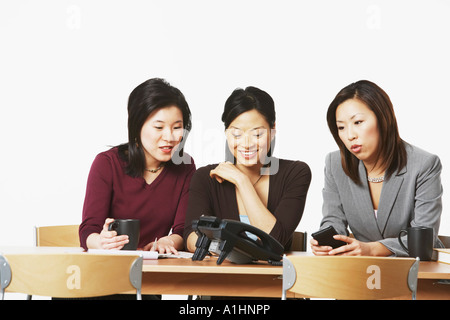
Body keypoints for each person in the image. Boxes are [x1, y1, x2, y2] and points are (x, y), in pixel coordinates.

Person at [311, 80, 443, 257]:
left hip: (419, 269)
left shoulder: (424, 164)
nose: (350, 135)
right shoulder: (335, 163)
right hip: (362, 270)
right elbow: (333, 219)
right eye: (341, 127)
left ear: (383, 119)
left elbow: (425, 235)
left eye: (358, 122)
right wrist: (328, 241)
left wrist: (372, 249)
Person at [184, 86, 311, 252]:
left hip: (274, 276)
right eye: (236, 134)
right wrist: (228, 250)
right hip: (221, 274)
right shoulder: (206, 177)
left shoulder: (296, 173)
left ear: (273, 131)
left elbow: (274, 241)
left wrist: (242, 181)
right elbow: (191, 237)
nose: (246, 143)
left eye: (257, 134)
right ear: (226, 133)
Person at [79, 78, 195, 254]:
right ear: (137, 127)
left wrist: (168, 241)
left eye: (177, 127)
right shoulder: (107, 164)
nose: (169, 137)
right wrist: (101, 241)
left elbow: (182, 230)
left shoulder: (185, 167)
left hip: (158, 268)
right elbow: (89, 230)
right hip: (113, 266)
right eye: (158, 127)